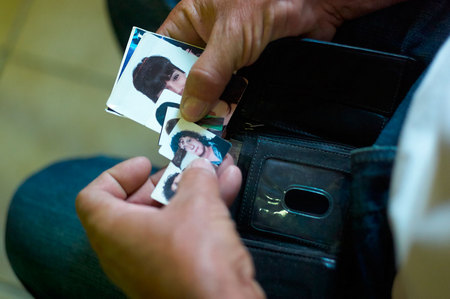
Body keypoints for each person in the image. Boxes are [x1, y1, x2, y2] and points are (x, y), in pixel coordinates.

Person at [6, 0, 450, 298]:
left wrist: (216, 288)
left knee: (36, 211)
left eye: (170, 77)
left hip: (380, 256)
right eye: (163, 82)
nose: (176, 85)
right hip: (425, 83)